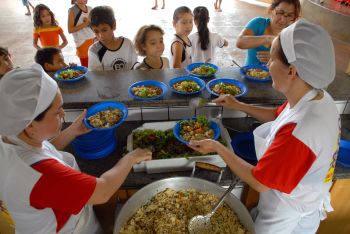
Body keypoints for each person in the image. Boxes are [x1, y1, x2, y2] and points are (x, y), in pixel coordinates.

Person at [189, 19, 340, 234]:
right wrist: (237, 104)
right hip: (300, 197)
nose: (268, 66)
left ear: (292, 71)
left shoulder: (301, 132)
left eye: (271, 60)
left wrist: (217, 147)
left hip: (286, 214)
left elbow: (260, 182)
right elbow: (276, 116)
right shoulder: (317, 96)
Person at [0, 63, 152, 233]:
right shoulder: (38, 175)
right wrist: (130, 158)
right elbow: (103, 191)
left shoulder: (10, 137)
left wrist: (73, 131)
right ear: (29, 125)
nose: (63, 114)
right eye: (57, 112)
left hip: (66, 211)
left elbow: (43, 150)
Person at [236, 0, 300, 66]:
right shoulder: (258, 23)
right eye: (280, 13)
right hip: (249, 74)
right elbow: (240, 42)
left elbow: (298, 62)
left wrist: (277, 58)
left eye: (290, 15)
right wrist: (268, 39)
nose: (283, 19)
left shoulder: (293, 33)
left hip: (277, 76)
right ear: (271, 9)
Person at [88, 6, 138, 71]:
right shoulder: (94, 50)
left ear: (114, 25)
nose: (101, 36)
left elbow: (134, 67)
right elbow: (96, 76)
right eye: (96, 31)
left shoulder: (127, 44)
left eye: (104, 30)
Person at [68, 0, 95, 67]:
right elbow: (70, 29)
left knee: (95, 65)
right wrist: (85, 23)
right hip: (82, 42)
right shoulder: (72, 10)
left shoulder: (90, 8)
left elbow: (94, 25)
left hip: (94, 40)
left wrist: (89, 22)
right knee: (86, 67)